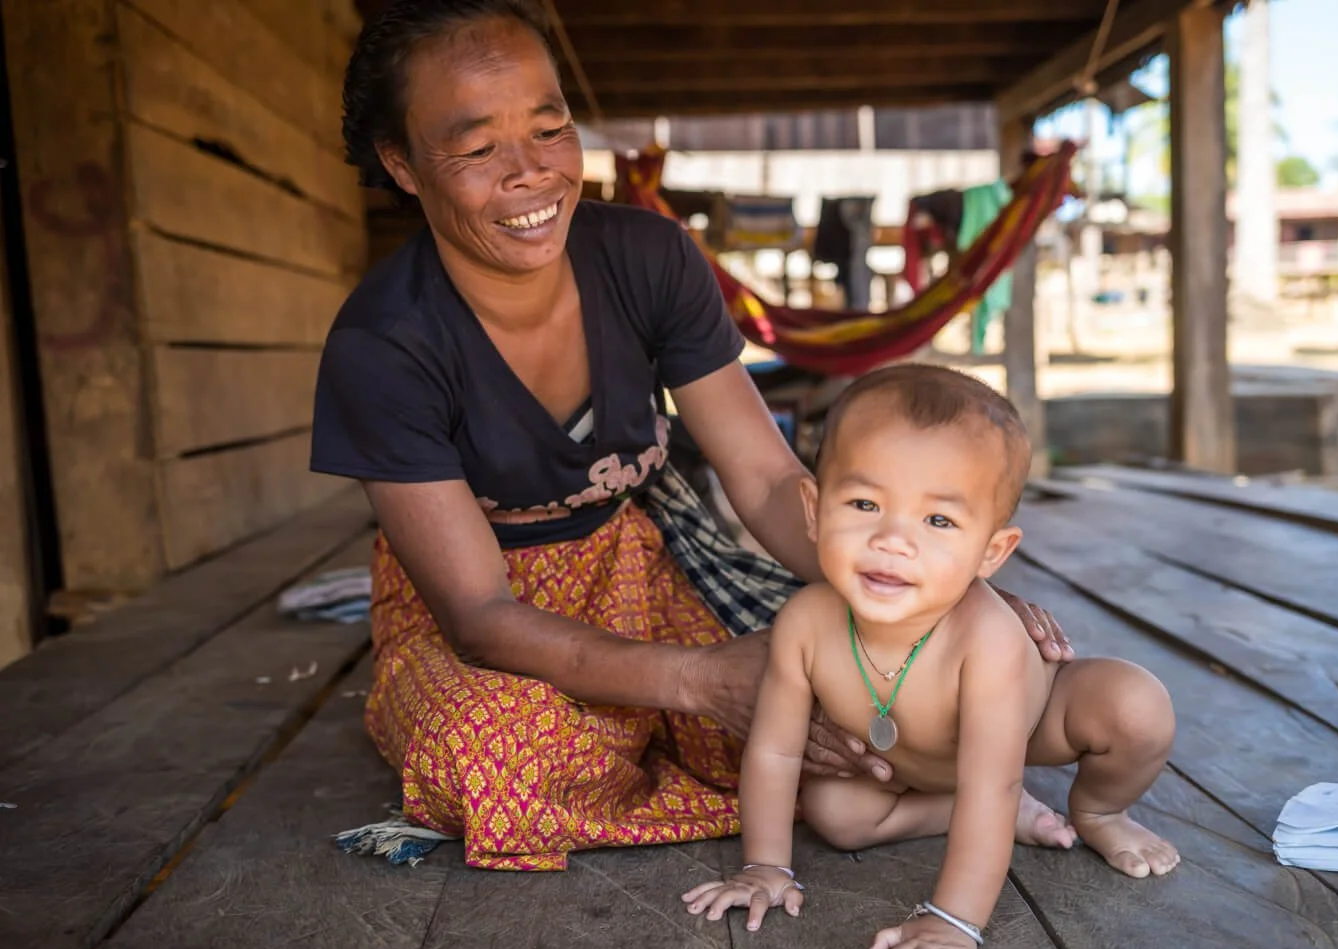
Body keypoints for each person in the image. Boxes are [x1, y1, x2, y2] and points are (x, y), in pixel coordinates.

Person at [313, 0, 1078, 873]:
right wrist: (700, 681)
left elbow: (759, 476)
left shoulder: (649, 258)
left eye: (551, 127)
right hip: (486, 617)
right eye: (478, 148)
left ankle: (943, 794)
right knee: (496, 759)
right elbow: (482, 616)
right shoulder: (384, 345)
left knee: (850, 698)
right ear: (402, 164)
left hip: (648, 561)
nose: (530, 173)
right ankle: (834, 786)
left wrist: (927, 599)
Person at [681, 365, 1179, 949]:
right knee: (835, 812)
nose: (893, 541)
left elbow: (992, 784)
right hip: (916, 767)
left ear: (992, 553)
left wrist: (953, 921)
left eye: (938, 521)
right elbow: (776, 750)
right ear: (813, 509)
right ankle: (985, 812)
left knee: (1135, 708)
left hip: (1032, 730)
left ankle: (1101, 809)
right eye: (864, 504)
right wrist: (764, 867)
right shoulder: (805, 623)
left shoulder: (987, 637)